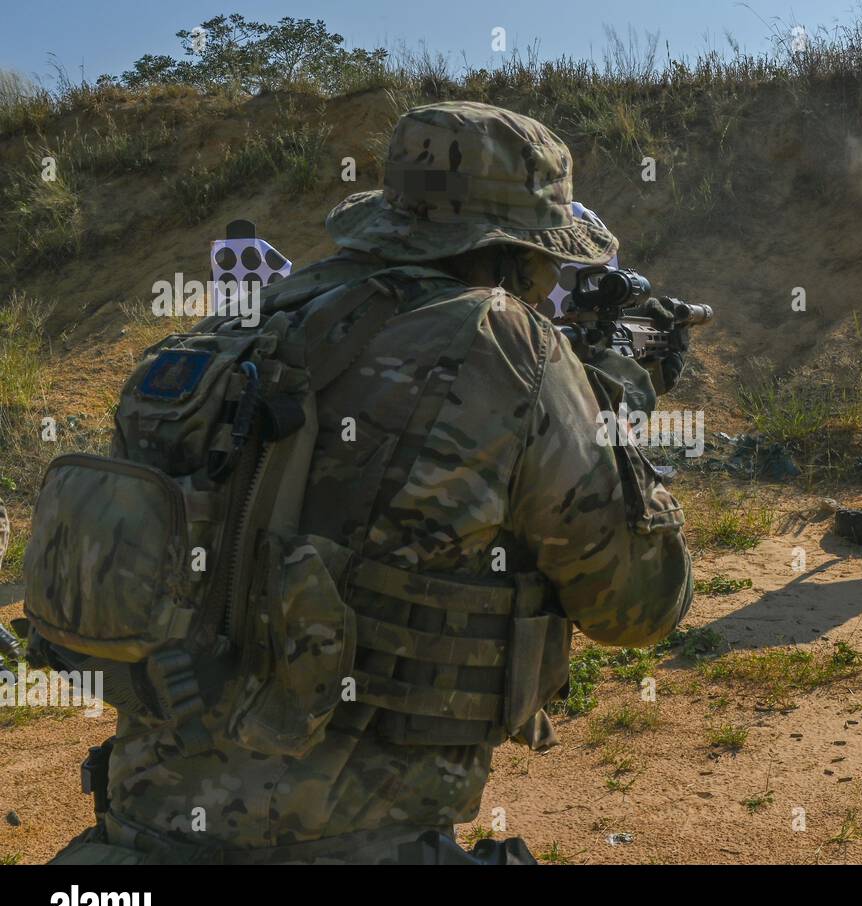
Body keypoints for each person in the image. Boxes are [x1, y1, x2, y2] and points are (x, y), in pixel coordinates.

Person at [44, 100, 694, 864]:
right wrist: (614, 399)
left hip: (130, 851)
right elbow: (640, 604)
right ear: (507, 257)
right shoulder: (506, 341)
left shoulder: (220, 338)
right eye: (546, 263)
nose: (547, 284)